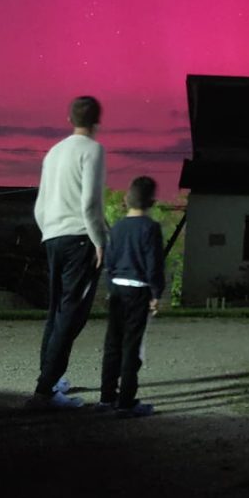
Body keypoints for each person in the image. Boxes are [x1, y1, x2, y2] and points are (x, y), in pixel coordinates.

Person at [27, 95, 109, 410]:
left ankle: (50, 377)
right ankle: (46, 389)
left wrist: (48, 230)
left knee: (56, 311)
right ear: (98, 121)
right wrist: (99, 239)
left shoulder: (54, 152)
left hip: (53, 235)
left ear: (69, 118)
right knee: (72, 313)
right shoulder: (93, 151)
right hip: (79, 238)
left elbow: (40, 203)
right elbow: (90, 202)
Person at [96, 175, 165, 417]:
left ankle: (106, 397)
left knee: (112, 342)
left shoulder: (118, 228)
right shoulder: (151, 229)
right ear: (152, 202)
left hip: (117, 287)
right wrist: (156, 293)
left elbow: (110, 261)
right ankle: (126, 401)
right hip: (138, 289)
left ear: (127, 200)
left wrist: (111, 285)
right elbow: (153, 264)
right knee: (131, 345)